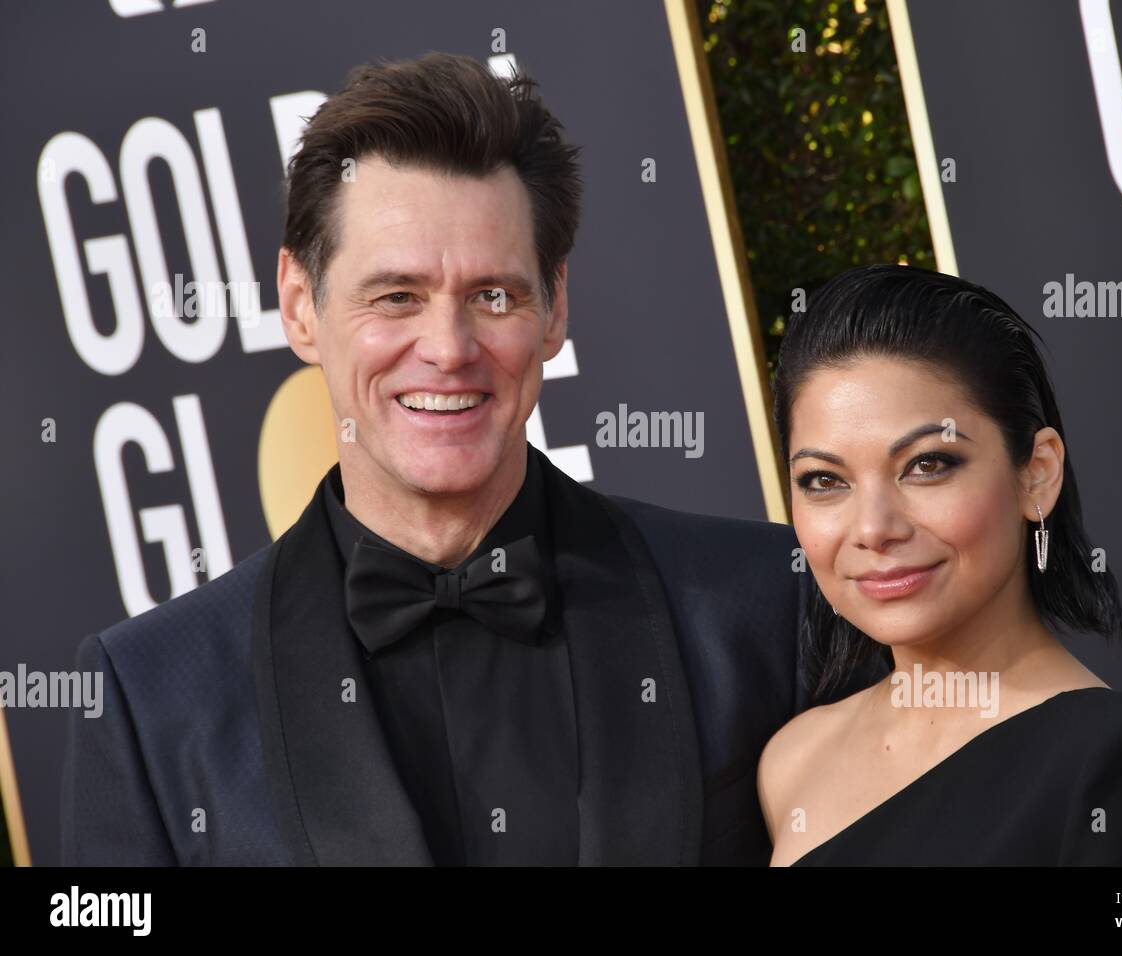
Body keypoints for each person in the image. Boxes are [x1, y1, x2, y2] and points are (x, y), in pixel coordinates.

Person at [61, 51, 818, 866]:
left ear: (555, 308)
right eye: (396, 297)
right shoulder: (148, 697)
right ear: (298, 305)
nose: (449, 350)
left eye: (494, 296)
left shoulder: (762, 607)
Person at [758, 265, 1122, 866]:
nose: (873, 528)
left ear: (1036, 472)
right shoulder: (792, 763)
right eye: (824, 480)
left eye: (928, 465)